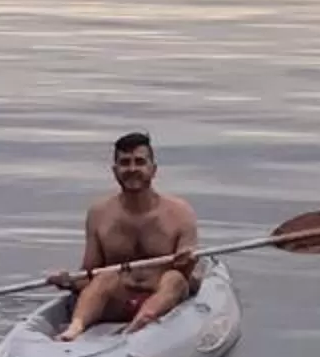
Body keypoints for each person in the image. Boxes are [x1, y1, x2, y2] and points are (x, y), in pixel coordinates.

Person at [46, 130, 203, 337]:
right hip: (117, 301)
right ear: (115, 170)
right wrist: (68, 281)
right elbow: (89, 274)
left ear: (153, 169)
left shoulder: (180, 213)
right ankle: (75, 328)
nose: (132, 169)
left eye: (139, 162)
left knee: (174, 278)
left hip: (160, 299)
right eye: (125, 162)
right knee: (106, 275)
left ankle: (138, 326)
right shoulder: (99, 213)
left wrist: (188, 264)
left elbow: (191, 282)